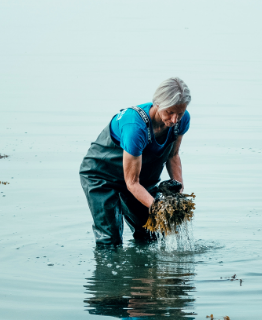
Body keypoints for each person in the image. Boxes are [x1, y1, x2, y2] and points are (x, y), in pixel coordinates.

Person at [80, 77, 191, 247]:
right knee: (110, 239)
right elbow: (131, 183)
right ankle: (110, 270)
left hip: (141, 179)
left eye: (180, 113)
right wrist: (157, 207)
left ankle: (145, 273)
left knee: (152, 232)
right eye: (170, 112)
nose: (175, 119)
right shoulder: (135, 126)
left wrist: (178, 190)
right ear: (158, 104)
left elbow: (173, 155)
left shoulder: (181, 121)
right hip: (102, 176)